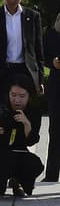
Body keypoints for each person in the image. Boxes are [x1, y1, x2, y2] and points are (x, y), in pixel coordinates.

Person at [0, 76, 43, 198]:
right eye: (13, 95)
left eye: (22, 96)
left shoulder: (33, 112)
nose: (17, 100)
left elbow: (31, 140)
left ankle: (17, 183)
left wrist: (26, 123)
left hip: (19, 151)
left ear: (29, 96)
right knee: (5, 159)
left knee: (34, 163)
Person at [42, 14, 60, 181]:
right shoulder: (52, 33)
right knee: (55, 130)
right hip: (57, 85)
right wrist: (52, 62)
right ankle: (52, 174)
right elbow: (43, 56)